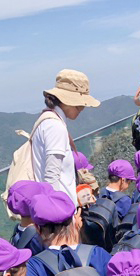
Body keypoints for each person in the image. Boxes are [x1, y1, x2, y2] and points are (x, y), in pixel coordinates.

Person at [33, 69, 100, 206]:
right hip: (59, 210)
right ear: (67, 100)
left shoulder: (47, 120)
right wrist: (57, 211)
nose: (83, 107)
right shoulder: (55, 126)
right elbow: (51, 177)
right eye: (80, 103)